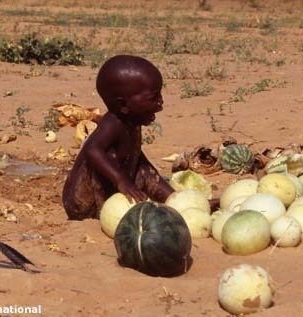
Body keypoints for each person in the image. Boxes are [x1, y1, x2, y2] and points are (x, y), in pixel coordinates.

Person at [62, 55, 217, 220]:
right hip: (82, 203)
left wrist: (175, 198)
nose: (161, 103)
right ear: (123, 106)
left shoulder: (131, 122)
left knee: (142, 166)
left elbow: (139, 163)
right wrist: (121, 180)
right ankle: (106, 212)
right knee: (108, 157)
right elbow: (92, 149)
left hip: (112, 190)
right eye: (153, 98)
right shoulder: (112, 124)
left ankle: (176, 202)